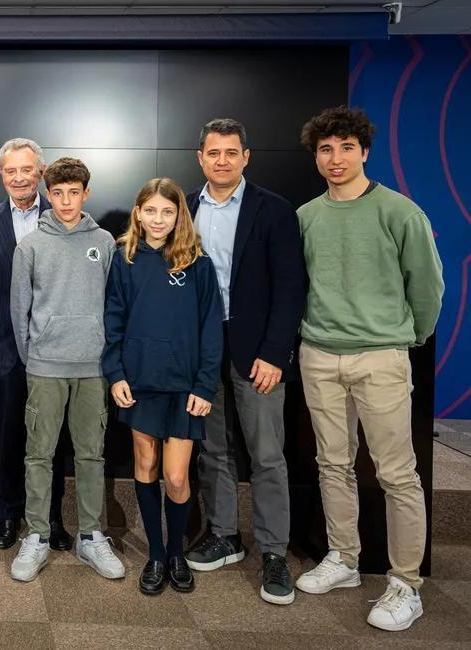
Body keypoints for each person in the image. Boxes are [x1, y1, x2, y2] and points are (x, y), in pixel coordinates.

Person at [293, 106, 443, 632]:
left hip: (380, 355)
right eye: (326, 150)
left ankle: (406, 583)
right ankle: (345, 559)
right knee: (332, 463)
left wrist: (404, 338)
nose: (336, 159)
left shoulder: (400, 212)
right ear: (317, 156)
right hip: (319, 353)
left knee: (397, 473)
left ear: (364, 152)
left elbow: (426, 287)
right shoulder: (307, 216)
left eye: (346, 148)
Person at [184, 118, 307, 606]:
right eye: (213, 153)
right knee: (214, 450)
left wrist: (276, 353)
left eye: (231, 152)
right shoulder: (183, 208)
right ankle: (224, 535)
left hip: (257, 350)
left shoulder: (273, 211)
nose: (222, 161)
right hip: (204, 348)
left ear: (246, 157)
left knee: (267, 455)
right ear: (201, 157)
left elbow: (291, 288)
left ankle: (274, 554)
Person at [103, 178, 223, 596]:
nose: (158, 219)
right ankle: (156, 554)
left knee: (175, 477)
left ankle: (176, 551)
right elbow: (113, 321)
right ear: (138, 213)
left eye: (167, 212)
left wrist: (205, 386)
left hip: (183, 387)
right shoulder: (125, 259)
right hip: (138, 384)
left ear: (179, 216)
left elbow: (211, 331)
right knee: (145, 465)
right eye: (150, 210)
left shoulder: (198, 264)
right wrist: (115, 374)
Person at [9, 157, 123, 582]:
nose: (66, 201)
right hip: (45, 367)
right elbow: (19, 310)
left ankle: (91, 536)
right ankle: (36, 536)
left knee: (91, 454)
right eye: (57, 193)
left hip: (93, 367)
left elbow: (114, 305)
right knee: (39, 454)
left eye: (74, 192)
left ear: (85, 193)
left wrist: (107, 355)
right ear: (47, 194)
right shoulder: (32, 245)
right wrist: (34, 356)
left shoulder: (106, 241)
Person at [0, 139, 75, 551]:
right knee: (6, 434)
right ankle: (7, 514)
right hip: (3, 348)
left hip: (54, 349)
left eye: (26, 170)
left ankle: (50, 517)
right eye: (10, 170)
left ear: (41, 171)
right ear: (1, 174)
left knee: (52, 438)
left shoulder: (64, 218)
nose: (19, 178)